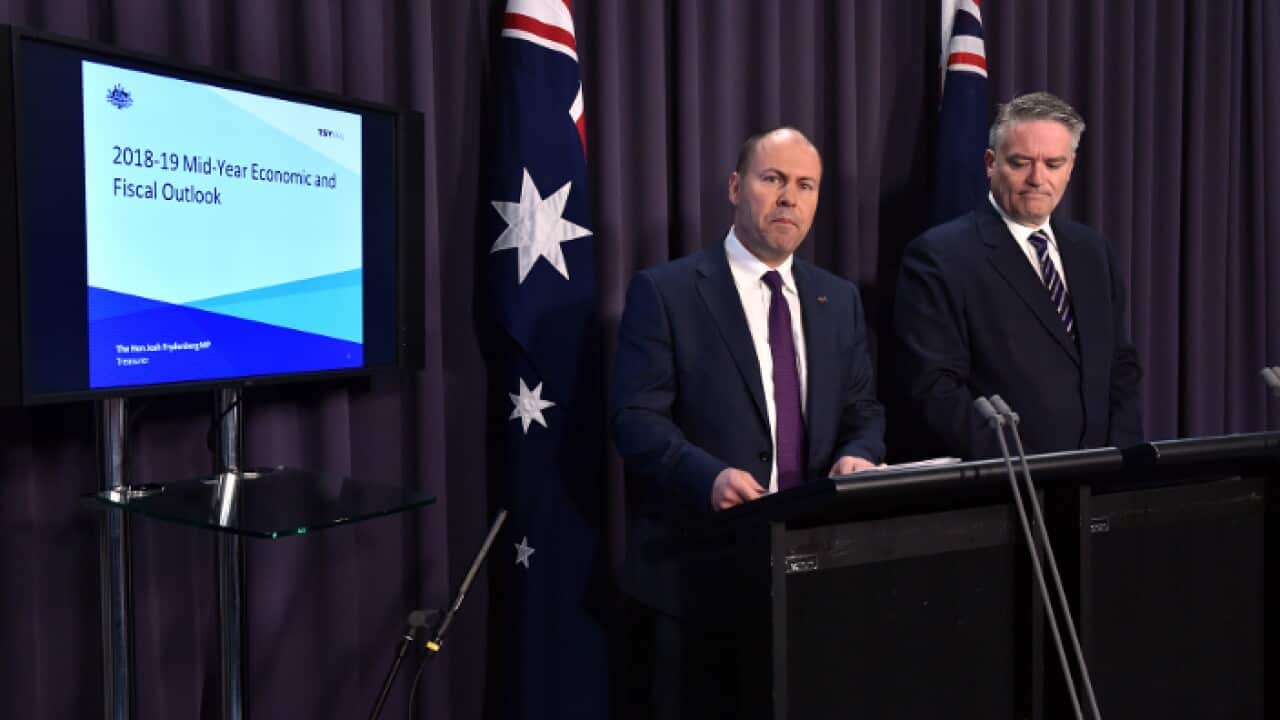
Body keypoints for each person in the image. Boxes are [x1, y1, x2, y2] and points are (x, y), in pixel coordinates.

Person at [610, 127, 885, 718]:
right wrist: (706, 476)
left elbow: (863, 409)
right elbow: (634, 418)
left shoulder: (838, 300)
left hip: (813, 573)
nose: (789, 197)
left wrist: (859, 453)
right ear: (737, 187)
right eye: (773, 179)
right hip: (696, 579)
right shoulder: (667, 291)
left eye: (804, 185)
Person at [893, 92, 1143, 461]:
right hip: (1009, 484)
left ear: (1071, 167)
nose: (1037, 178)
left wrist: (1122, 459)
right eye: (1021, 162)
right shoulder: (940, 256)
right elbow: (936, 387)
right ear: (991, 163)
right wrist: (1024, 466)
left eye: (1053, 163)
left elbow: (1120, 365)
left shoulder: (1093, 251)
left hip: (1099, 482)